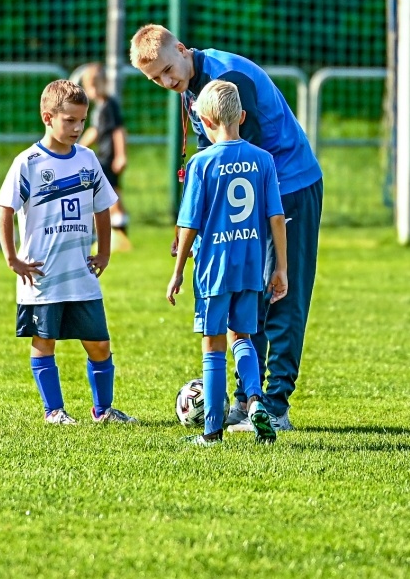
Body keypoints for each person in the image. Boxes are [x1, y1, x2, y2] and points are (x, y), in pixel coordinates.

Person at [130, 23, 321, 432]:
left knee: (280, 292)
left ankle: (274, 405)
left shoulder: (226, 81)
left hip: (290, 186)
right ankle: (245, 403)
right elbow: (211, 161)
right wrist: (191, 226)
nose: (166, 81)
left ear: (181, 50)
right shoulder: (191, 88)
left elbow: (245, 164)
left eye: (167, 69)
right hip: (256, 193)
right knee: (247, 297)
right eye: (155, 79)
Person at [0, 79, 135, 423]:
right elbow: (5, 209)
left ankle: (103, 411)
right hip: (42, 274)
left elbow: (103, 206)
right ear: (47, 117)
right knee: (45, 342)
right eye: (69, 120)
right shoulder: (28, 162)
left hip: (81, 274)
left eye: (82, 121)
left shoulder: (87, 160)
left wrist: (104, 253)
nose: (77, 127)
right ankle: (53, 410)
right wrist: (12, 257)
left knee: (99, 343)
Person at [166, 81, 289, 446]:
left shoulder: (202, 163)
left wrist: (177, 272)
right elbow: (277, 218)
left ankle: (212, 431)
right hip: (252, 265)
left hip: (213, 268)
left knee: (213, 345)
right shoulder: (263, 160)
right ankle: (255, 400)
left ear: (203, 120)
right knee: (243, 338)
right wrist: (280, 267)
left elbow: (189, 223)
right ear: (243, 117)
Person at [78, 63, 131, 249]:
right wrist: (77, 147)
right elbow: (94, 131)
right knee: (104, 193)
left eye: (95, 85)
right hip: (100, 157)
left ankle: (121, 231)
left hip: (110, 157)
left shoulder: (110, 105)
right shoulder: (98, 108)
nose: (91, 91)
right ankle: (108, 230)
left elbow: (118, 131)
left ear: (104, 83)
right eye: (88, 87)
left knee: (113, 194)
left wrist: (121, 155)